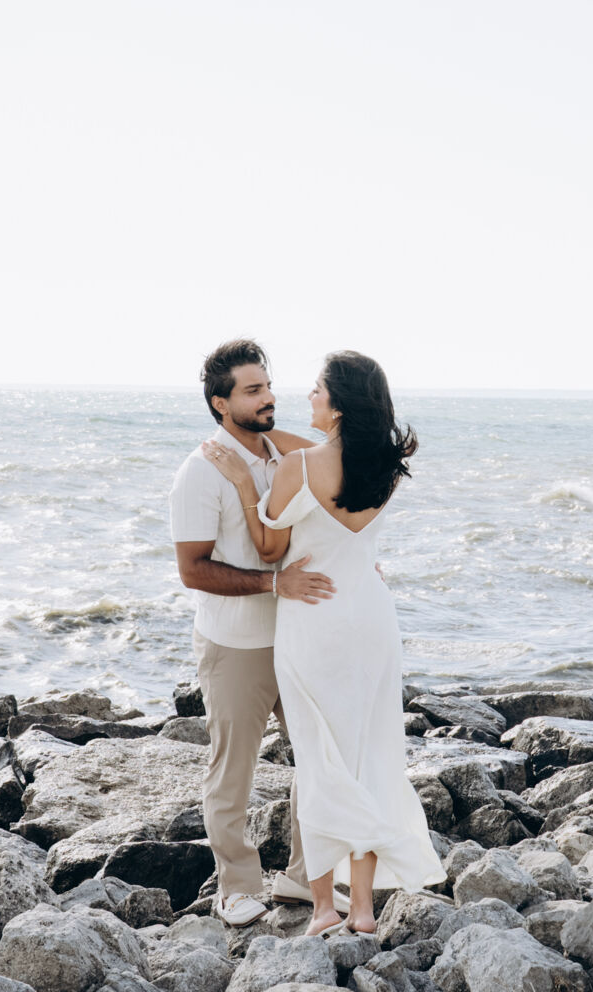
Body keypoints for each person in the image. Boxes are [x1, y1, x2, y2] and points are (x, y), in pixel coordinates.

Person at [201, 349, 442, 937]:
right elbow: (332, 479)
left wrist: (242, 478)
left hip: (314, 619)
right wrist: (263, 440)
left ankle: (323, 909)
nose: (306, 396)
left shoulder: (298, 467)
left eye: (316, 389)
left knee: (316, 757)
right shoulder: (386, 466)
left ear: (336, 406)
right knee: (366, 755)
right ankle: (362, 909)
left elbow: (269, 548)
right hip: (371, 619)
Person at [169, 339, 346, 926]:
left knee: (320, 759)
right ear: (221, 404)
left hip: (299, 636)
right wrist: (274, 584)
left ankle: (303, 877)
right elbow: (193, 570)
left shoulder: (287, 456)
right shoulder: (200, 472)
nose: (268, 398)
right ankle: (236, 886)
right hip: (236, 646)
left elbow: (339, 470)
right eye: (253, 391)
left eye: (267, 386)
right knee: (233, 770)